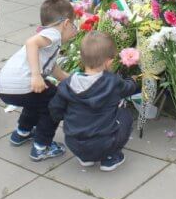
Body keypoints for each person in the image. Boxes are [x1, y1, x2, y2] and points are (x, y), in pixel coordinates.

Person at [0, 0, 76, 161]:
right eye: (74, 26)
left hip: (6, 86)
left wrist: (72, 80)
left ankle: (22, 133)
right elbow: (31, 43)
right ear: (66, 23)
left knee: (37, 98)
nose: (75, 31)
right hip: (24, 82)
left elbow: (54, 69)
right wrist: (35, 75)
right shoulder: (53, 34)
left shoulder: (48, 39)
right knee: (55, 101)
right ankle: (42, 146)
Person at [49, 31, 139, 171]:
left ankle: (85, 158)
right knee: (125, 116)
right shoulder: (112, 82)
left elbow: (55, 109)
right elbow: (128, 89)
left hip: (74, 142)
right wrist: (133, 80)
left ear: (82, 58)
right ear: (109, 62)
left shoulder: (68, 84)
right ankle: (110, 158)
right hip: (104, 144)